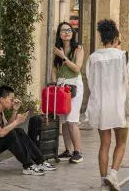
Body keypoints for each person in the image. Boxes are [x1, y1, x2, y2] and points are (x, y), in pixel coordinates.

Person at [84, 19, 129, 190]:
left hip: (101, 106)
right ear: (116, 38)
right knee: (121, 142)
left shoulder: (93, 58)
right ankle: (113, 174)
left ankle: (103, 182)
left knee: (104, 143)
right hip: (119, 105)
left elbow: (90, 82)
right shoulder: (124, 56)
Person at [0, 85, 56, 176]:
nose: (13, 102)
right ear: (2, 99)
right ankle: (28, 166)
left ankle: (40, 162)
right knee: (11, 133)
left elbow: (7, 127)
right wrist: (17, 121)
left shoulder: (0, 111)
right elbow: (1, 133)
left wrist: (15, 111)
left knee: (19, 131)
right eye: (11, 99)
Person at [51, 21, 85, 163]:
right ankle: (68, 150)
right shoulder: (57, 49)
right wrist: (54, 83)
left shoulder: (78, 49)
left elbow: (77, 68)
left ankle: (78, 152)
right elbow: (54, 68)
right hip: (60, 86)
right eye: (64, 30)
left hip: (74, 86)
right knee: (63, 121)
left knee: (72, 120)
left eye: (69, 30)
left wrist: (64, 57)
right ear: (59, 34)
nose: (67, 32)